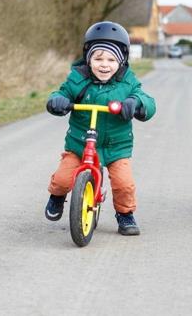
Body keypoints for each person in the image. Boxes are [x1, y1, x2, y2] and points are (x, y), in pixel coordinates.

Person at [44, 21, 156, 235]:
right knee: (62, 179)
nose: (104, 64)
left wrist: (136, 104)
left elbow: (147, 101)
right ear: (88, 59)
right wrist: (57, 101)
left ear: (122, 60)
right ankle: (56, 197)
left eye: (111, 59)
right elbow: (61, 93)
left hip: (116, 147)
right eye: (98, 58)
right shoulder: (78, 79)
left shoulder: (128, 82)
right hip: (80, 145)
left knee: (124, 185)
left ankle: (125, 215)